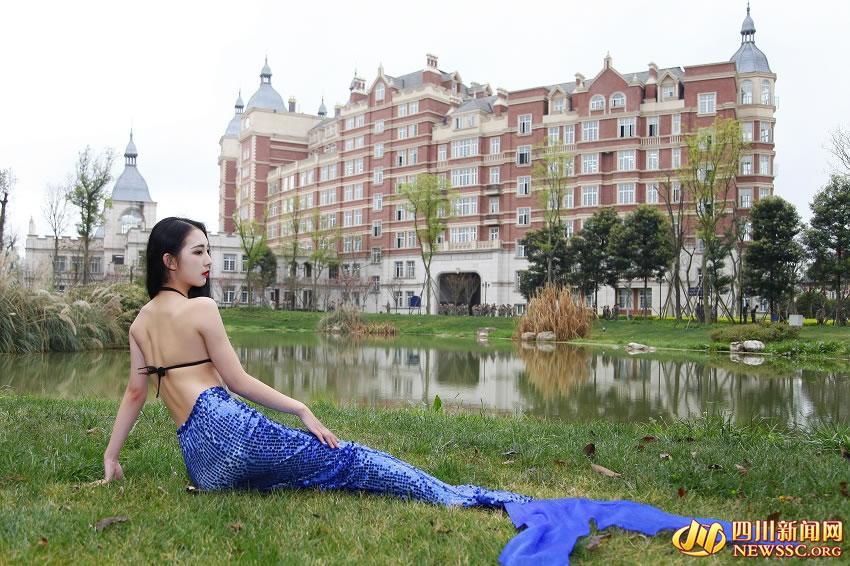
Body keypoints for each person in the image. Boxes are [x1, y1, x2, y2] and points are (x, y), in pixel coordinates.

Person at [101, 217, 529, 507]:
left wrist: (111, 457)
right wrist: (301, 408)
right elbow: (237, 381)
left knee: (308, 473)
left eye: (210, 251)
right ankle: (453, 497)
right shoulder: (201, 310)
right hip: (230, 432)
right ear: (169, 261)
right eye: (198, 253)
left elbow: (136, 393)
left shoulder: (139, 323)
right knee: (347, 461)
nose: (209, 260)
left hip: (203, 464)